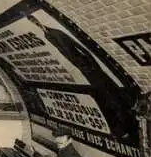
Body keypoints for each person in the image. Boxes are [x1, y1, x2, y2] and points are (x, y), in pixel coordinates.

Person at [25, 14, 138, 142]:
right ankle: (123, 125)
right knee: (106, 97)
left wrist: (91, 63)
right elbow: (65, 53)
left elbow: (76, 47)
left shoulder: (56, 32)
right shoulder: (47, 35)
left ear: (38, 20)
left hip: (88, 66)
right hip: (83, 68)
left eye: (35, 21)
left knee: (110, 95)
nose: (36, 24)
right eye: (34, 23)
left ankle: (126, 125)